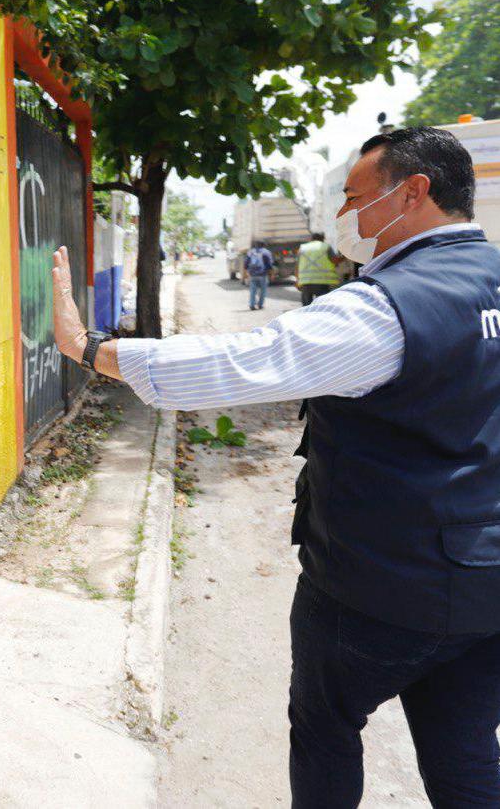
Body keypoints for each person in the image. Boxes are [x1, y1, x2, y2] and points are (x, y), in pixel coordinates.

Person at [50, 126, 500, 806]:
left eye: (353, 198)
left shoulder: (382, 309)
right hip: (484, 585)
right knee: (464, 754)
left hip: (380, 586)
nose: (343, 218)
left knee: (323, 729)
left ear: (414, 193)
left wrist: (89, 348)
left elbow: (239, 364)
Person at [295, 231, 341, 306]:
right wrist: (345, 257)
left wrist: (297, 281)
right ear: (323, 238)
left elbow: (297, 267)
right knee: (322, 306)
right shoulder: (326, 247)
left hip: (305, 282)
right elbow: (335, 261)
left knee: (306, 307)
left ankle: (307, 317)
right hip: (322, 282)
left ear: (311, 238)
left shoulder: (303, 248)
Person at [244, 239, 274, 310]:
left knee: (253, 291)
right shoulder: (266, 252)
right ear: (264, 245)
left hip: (252, 275)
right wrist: (272, 274)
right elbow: (269, 265)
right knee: (263, 291)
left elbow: (245, 264)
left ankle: (252, 304)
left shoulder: (250, 252)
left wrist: (246, 273)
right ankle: (260, 305)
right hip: (262, 275)